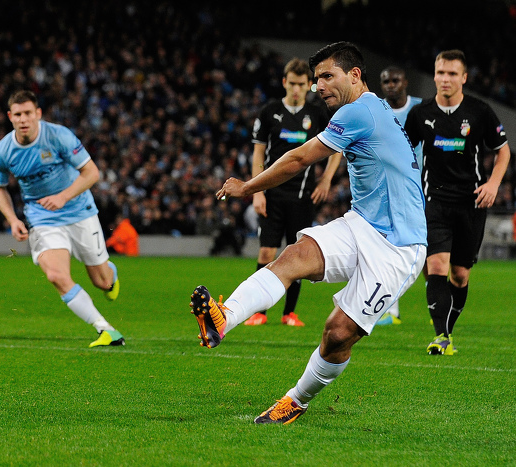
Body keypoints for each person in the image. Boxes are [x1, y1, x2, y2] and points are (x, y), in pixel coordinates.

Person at [193, 42, 426, 424]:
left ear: (354, 75)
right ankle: (224, 317)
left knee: (337, 334)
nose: (318, 86)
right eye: (316, 78)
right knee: (294, 255)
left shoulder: (359, 111)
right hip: (362, 223)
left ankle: (296, 400)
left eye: (326, 76)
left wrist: (248, 187)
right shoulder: (370, 109)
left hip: (399, 246)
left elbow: (300, 158)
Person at [0, 90, 123, 348]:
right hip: (42, 218)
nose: (23, 119)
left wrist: (63, 197)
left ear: (38, 114)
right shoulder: (2, 151)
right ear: (10, 117)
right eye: (18, 114)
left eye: (28, 113)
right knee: (55, 275)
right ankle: (105, 330)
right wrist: (12, 219)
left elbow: (91, 173)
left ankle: (110, 276)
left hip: (79, 210)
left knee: (102, 281)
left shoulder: (59, 136)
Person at [405, 50, 510, 355]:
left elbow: (503, 151)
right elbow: (403, 151)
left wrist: (492, 184)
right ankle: (440, 336)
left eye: (452, 74)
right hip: (435, 199)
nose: (445, 79)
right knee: (436, 265)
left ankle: (447, 329)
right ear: (434, 74)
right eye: (440, 73)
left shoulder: (479, 111)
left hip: (472, 202)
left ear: (463, 78)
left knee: (460, 275)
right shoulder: (420, 113)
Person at [246, 58, 342, 327]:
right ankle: (259, 311)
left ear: (308, 85)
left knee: (297, 254)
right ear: (284, 82)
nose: (298, 89)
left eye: (303, 84)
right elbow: (257, 156)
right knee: (266, 253)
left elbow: (337, 149)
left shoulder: (317, 114)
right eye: (293, 83)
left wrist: (326, 181)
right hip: (272, 195)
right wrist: (257, 191)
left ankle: (289, 313)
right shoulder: (269, 113)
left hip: (302, 197)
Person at [375, 65, 423, 325]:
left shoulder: (421, 108)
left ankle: (437, 307)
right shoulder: (376, 110)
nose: (390, 85)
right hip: (387, 190)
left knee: (431, 253)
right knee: (389, 249)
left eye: (395, 80)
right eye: (385, 81)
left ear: (405, 81)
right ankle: (389, 309)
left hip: (422, 190)